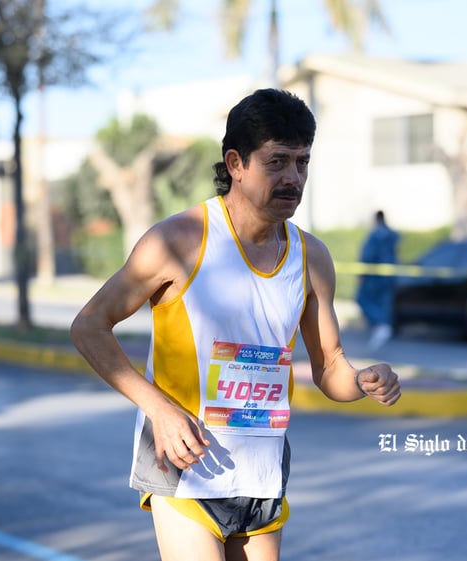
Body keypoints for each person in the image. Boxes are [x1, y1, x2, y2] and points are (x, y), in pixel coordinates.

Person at [70, 88, 401, 561]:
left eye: (302, 162)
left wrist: (365, 379)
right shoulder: (178, 241)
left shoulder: (312, 257)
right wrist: (159, 410)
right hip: (184, 469)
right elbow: (89, 326)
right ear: (236, 163)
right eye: (277, 162)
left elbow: (330, 366)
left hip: (261, 474)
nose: (293, 178)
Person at [355, 210, 399, 351]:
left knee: (362, 299)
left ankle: (380, 325)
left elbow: (368, 254)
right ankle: (384, 325)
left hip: (374, 276)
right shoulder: (391, 236)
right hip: (389, 275)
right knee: (384, 303)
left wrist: (362, 271)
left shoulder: (375, 235)